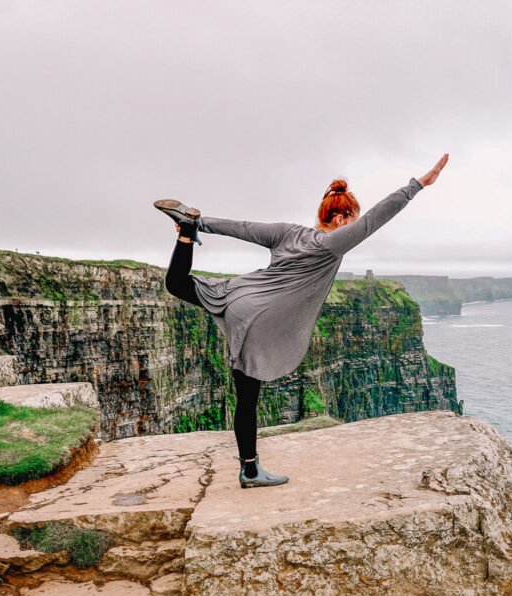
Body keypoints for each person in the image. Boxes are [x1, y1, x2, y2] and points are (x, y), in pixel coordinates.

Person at [156, 153, 449, 489]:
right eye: (351, 220)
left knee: (177, 284)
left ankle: (185, 235)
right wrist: (416, 185)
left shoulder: (287, 232)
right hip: (262, 319)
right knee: (247, 398)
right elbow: (375, 219)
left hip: (238, 296)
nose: (354, 226)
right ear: (341, 220)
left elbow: (242, 228)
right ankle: (250, 471)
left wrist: (200, 223)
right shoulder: (333, 244)